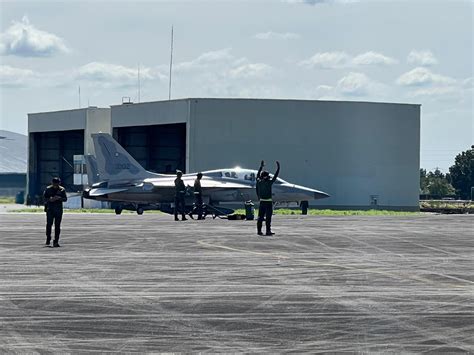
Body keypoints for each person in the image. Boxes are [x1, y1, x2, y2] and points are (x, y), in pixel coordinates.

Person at [256, 160, 280, 236]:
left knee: (260, 217)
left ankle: (259, 231)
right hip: (268, 202)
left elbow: (257, 176)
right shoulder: (269, 182)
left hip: (262, 202)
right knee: (268, 218)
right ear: (266, 176)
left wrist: (261, 167)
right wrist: (278, 168)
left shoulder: (259, 182)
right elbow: (275, 176)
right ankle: (268, 231)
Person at [43, 177, 67, 247]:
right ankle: (48, 237)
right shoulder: (48, 189)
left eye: (57, 184)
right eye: (54, 184)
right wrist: (50, 199)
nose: (56, 185)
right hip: (50, 209)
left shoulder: (62, 190)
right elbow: (44, 198)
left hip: (58, 210)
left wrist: (59, 198)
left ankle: (56, 241)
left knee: (57, 226)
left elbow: (65, 199)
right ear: (52, 183)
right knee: (49, 225)